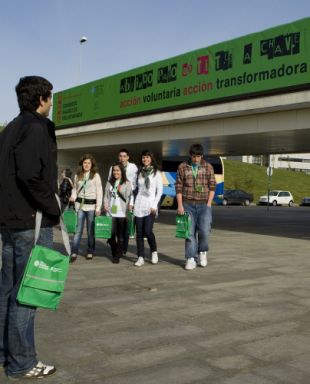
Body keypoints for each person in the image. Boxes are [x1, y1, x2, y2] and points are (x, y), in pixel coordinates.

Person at [0, 76, 59, 379]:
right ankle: (22, 362)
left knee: (7, 289)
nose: (51, 103)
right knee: (27, 294)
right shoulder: (36, 128)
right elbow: (30, 174)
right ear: (41, 100)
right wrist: (53, 206)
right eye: (50, 97)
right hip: (31, 223)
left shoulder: (10, 128)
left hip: (10, 222)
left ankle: (3, 352)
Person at [175, 143, 216, 271]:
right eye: (194, 156)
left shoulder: (208, 167)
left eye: (198, 156)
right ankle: (191, 258)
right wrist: (180, 205)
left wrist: (209, 204)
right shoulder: (183, 167)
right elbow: (178, 188)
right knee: (189, 233)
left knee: (204, 230)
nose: (196, 159)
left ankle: (202, 252)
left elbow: (213, 186)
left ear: (202, 156)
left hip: (204, 204)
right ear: (190, 155)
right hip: (188, 204)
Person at [130, 150, 163, 267]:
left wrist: (155, 205)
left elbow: (160, 191)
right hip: (139, 204)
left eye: (147, 157)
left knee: (148, 231)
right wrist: (132, 202)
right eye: (143, 158)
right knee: (139, 233)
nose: (145, 160)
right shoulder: (139, 172)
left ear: (151, 159)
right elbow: (135, 190)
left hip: (150, 205)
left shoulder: (156, 173)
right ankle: (140, 256)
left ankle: (154, 251)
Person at [70, 154, 103, 262]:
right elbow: (75, 189)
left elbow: (99, 192)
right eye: (85, 163)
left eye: (89, 163)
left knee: (90, 231)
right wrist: (73, 196)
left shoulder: (95, 176)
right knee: (78, 230)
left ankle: (90, 251)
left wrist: (98, 208)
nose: (87, 165)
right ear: (82, 164)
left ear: (91, 164)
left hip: (91, 207)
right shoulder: (77, 175)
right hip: (80, 206)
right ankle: (74, 251)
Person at [108, 148, 138, 254]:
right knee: (113, 230)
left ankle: (123, 248)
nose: (122, 158)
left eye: (124, 156)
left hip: (126, 200)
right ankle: (119, 247)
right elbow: (109, 183)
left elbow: (133, 186)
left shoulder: (133, 167)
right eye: (120, 156)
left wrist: (131, 202)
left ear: (128, 157)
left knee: (125, 228)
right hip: (114, 202)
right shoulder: (113, 167)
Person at [104, 162, 132, 263]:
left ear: (121, 171)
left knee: (120, 235)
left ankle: (116, 256)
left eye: (118, 170)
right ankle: (116, 250)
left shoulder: (127, 183)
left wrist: (129, 210)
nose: (116, 172)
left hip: (122, 212)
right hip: (111, 212)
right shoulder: (109, 182)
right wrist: (105, 204)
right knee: (111, 235)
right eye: (114, 170)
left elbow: (129, 197)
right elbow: (106, 196)